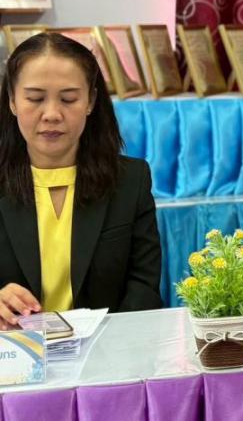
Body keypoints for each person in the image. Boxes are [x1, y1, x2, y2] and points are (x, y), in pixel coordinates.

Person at [0, 33, 162, 328]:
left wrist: (109, 346)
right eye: (35, 98)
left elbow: (143, 286)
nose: (52, 114)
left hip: (107, 349)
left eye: (68, 99)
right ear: (12, 100)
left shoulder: (130, 181)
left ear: (91, 101)